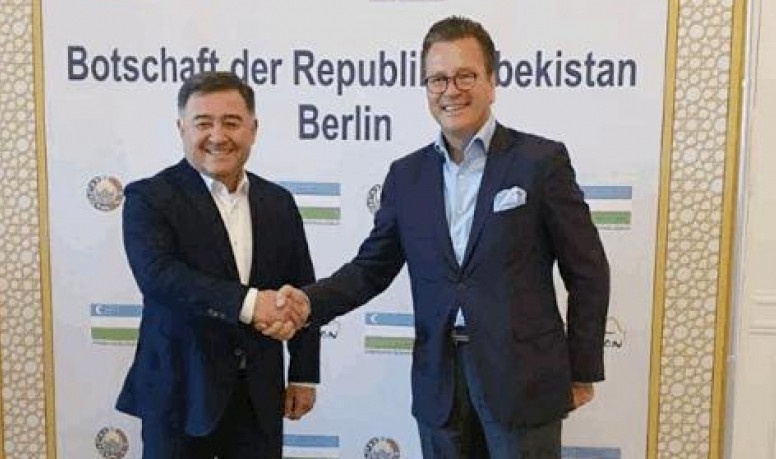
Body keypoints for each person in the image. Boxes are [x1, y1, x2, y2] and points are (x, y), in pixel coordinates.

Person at [267, 16, 610, 459]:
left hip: (524, 380)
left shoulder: (540, 162)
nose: (451, 90)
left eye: (466, 75)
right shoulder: (406, 176)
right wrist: (308, 302)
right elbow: (370, 270)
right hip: (439, 382)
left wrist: (582, 368)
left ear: (492, 82)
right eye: (438, 79)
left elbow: (587, 270)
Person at [116, 71, 319, 459]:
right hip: (179, 394)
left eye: (231, 122)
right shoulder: (150, 198)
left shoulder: (278, 202)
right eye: (203, 123)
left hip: (258, 396)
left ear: (253, 129)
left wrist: (304, 373)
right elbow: (160, 278)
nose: (218, 135)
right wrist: (251, 304)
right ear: (181, 129)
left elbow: (302, 290)